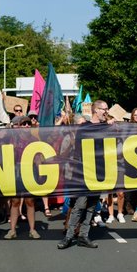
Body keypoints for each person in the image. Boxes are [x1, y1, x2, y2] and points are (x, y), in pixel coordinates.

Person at [58, 100, 107, 250]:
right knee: (79, 205)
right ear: (96, 110)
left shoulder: (106, 127)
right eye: (104, 109)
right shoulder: (84, 128)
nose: (106, 112)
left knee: (91, 206)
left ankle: (83, 236)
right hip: (84, 174)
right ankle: (69, 236)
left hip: (98, 173)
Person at [4, 116, 40, 240]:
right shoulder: (13, 139)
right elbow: (8, 156)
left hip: (30, 171)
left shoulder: (34, 139)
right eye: (24, 124)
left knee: (30, 201)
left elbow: (38, 157)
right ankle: (12, 230)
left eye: (28, 124)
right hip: (17, 171)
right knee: (15, 201)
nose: (26, 126)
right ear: (19, 125)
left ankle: (32, 229)